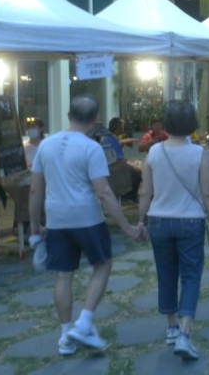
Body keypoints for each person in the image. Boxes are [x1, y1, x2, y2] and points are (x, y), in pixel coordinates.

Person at [29, 94, 144, 356]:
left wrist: (35, 224)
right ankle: (84, 322)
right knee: (102, 265)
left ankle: (64, 336)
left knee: (63, 275)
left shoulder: (46, 145)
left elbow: (35, 189)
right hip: (87, 217)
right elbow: (104, 192)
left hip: (56, 217)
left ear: (69, 116)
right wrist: (126, 227)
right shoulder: (92, 148)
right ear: (96, 121)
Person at [138, 100, 209, 361]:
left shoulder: (154, 152)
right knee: (190, 275)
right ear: (191, 125)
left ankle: (171, 327)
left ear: (166, 124)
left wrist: (141, 221)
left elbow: (145, 192)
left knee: (166, 274)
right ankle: (185, 334)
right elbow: (207, 193)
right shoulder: (197, 153)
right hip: (190, 221)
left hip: (159, 220)